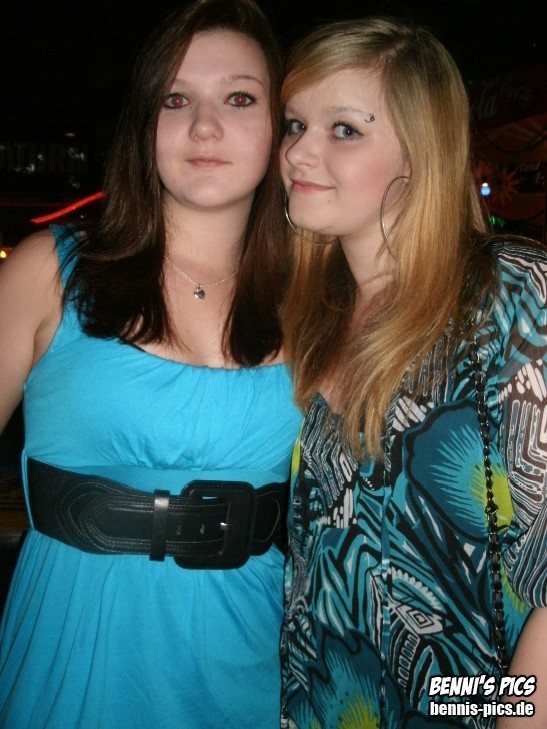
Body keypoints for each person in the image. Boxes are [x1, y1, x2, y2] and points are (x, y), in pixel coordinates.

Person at [0, 1, 302, 727]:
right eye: (175, 99)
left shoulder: (316, 304)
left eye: (239, 98)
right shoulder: (50, 271)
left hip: (254, 660)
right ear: (144, 123)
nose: (204, 126)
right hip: (76, 658)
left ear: (281, 127)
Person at [278, 16, 547, 729]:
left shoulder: (514, 295)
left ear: (420, 153)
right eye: (294, 124)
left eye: (344, 129)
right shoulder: (307, 317)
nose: (298, 151)